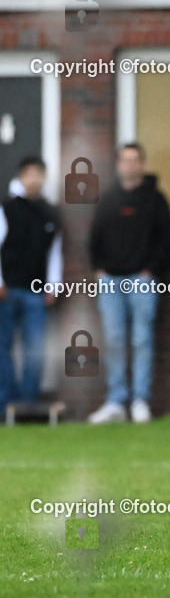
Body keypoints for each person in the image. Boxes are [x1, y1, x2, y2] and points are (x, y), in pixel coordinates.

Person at [87, 143, 170, 424]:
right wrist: (98, 268)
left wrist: (151, 270)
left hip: (142, 281)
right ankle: (116, 401)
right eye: (125, 160)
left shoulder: (155, 199)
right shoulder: (107, 198)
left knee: (141, 340)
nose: (130, 165)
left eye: (135, 160)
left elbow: (166, 240)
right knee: (113, 341)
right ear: (118, 164)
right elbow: (94, 237)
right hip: (110, 281)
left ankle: (139, 401)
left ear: (142, 163)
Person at [0, 157, 61, 412]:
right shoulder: (6, 208)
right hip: (8, 289)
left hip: (37, 291)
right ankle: (6, 402)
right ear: (20, 177)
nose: (33, 179)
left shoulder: (50, 212)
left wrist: (53, 285)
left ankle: (28, 402)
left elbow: (55, 252)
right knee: (3, 346)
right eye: (29, 174)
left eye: (38, 174)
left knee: (35, 347)